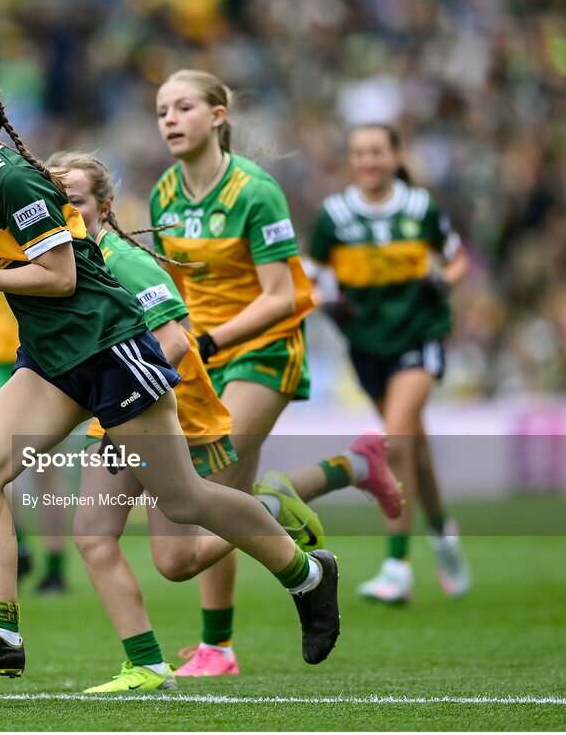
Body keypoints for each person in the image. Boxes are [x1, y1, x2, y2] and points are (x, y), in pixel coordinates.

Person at [0, 55, 339, 680]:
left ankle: (308, 574)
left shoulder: (15, 178)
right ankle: (1, 634)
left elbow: (61, 276)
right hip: (51, 361)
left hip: (109, 347)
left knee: (185, 502)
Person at [49, 150, 400, 691]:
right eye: (55, 202)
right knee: (101, 540)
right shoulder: (68, 264)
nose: (64, 211)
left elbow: (176, 339)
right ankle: (146, 664)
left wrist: (113, 387)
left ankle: (277, 524)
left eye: (74, 201)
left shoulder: (123, 259)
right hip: (115, 411)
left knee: (177, 555)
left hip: (164, 411)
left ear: (103, 206)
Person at [148, 68, 374, 676]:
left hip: (262, 352)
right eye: (162, 109)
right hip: (201, 360)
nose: (169, 118)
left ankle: (286, 518)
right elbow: (172, 289)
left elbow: (281, 295)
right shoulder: (165, 193)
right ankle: (218, 645)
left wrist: (213, 338)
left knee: (213, 489)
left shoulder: (255, 190)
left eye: (184, 106)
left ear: (218, 116)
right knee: (187, 542)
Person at [308, 123, 472, 603]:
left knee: (396, 438)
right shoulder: (335, 215)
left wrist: (444, 281)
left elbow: (457, 259)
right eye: (359, 153)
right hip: (366, 341)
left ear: (396, 155)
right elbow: (312, 278)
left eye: (377, 151)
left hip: (420, 334)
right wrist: (327, 302)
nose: (368, 161)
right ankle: (443, 533)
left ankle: (397, 566)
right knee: (413, 451)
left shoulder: (420, 207)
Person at [0, 288, 70, 593]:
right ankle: (19, 545)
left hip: (40, 363)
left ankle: (55, 567)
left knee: (46, 470)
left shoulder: (46, 246)